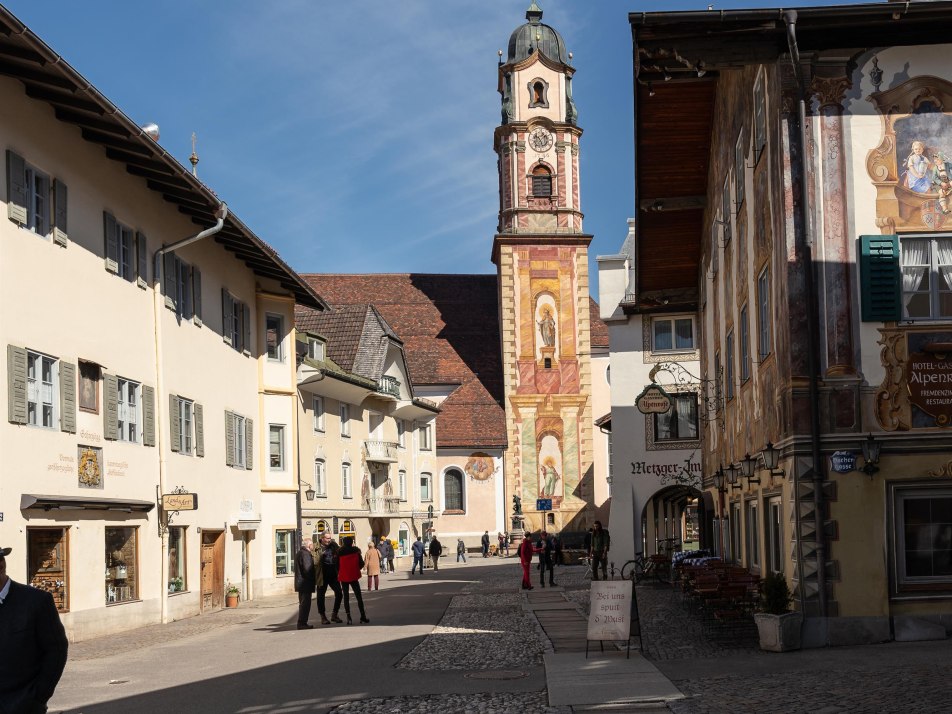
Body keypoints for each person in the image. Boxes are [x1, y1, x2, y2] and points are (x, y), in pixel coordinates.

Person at [0, 545, 68, 713]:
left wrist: (38, 696)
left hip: (22, 705)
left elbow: (56, 650)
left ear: (1, 566)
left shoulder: (36, 601)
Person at [337, 537, 369, 624]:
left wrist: (341, 570)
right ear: (352, 542)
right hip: (354, 575)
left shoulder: (339, 552)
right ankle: (363, 616)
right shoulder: (356, 551)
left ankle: (349, 617)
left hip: (344, 576)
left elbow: (336, 565)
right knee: (358, 596)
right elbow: (361, 564)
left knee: (346, 597)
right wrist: (355, 568)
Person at [315, 532, 343, 625]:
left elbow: (340, 552)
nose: (329, 540)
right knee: (320, 596)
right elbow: (313, 561)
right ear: (322, 538)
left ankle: (334, 614)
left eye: (330, 538)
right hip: (322, 575)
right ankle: (323, 616)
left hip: (333, 574)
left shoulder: (333, 545)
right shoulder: (316, 547)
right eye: (327, 538)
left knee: (339, 593)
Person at [293, 538, 316, 629]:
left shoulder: (300, 553)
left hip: (301, 583)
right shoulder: (305, 554)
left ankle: (302, 622)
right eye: (312, 544)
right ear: (308, 545)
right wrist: (313, 579)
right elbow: (308, 569)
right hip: (305, 583)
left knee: (303, 603)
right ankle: (302, 623)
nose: (313, 545)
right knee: (305, 604)